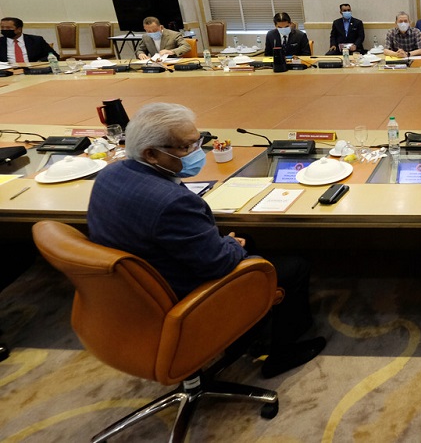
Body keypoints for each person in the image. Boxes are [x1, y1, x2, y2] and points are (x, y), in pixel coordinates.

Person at [87, 103, 326, 378]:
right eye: (187, 147)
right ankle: (283, 352)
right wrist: (231, 245)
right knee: (293, 268)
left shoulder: (109, 174)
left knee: (246, 238)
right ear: (151, 154)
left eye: (198, 141)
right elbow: (218, 264)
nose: (199, 152)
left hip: (132, 290)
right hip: (179, 294)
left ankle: (253, 328)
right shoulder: (173, 202)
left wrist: (232, 242)